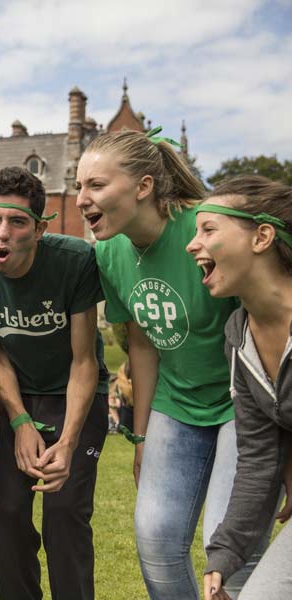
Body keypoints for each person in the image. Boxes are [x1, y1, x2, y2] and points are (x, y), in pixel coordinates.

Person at [76, 127, 269, 598]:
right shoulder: (108, 252)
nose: (81, 199)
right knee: (157, 541)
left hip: (241, 403)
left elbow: (264, 319)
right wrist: (142, 437)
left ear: (143, 186)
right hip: (176, 403)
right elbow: (142, 345)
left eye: (96, 185)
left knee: (228, 548)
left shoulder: (204, 230)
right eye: (79, 186)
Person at [0, 166, 109, 600]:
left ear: (39, 229)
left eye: (18, 222)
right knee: (5, 514)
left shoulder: (74, 260)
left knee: (64, 513)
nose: (2, 233)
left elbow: (84, 361)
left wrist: (69, 442)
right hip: (13, 396)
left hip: (73, 394)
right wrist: (20, 421)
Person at [185, 176, 292, 600]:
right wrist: (225, 554)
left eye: (208, 230)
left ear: (262, 237)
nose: (192, 245)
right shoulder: (238, 336)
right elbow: (259, 458)